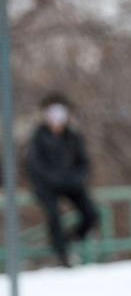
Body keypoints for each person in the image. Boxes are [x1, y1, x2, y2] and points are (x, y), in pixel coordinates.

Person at [25, 92, 98, 268]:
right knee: (54, 215)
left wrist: (75, 179)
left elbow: (84, 163)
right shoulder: (38, 137)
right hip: (46, 187)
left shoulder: (73, 137)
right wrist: (55, 180)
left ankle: (70, 240)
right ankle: (62, 253)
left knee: (91, 213)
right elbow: (35, 165)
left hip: (71, 183)